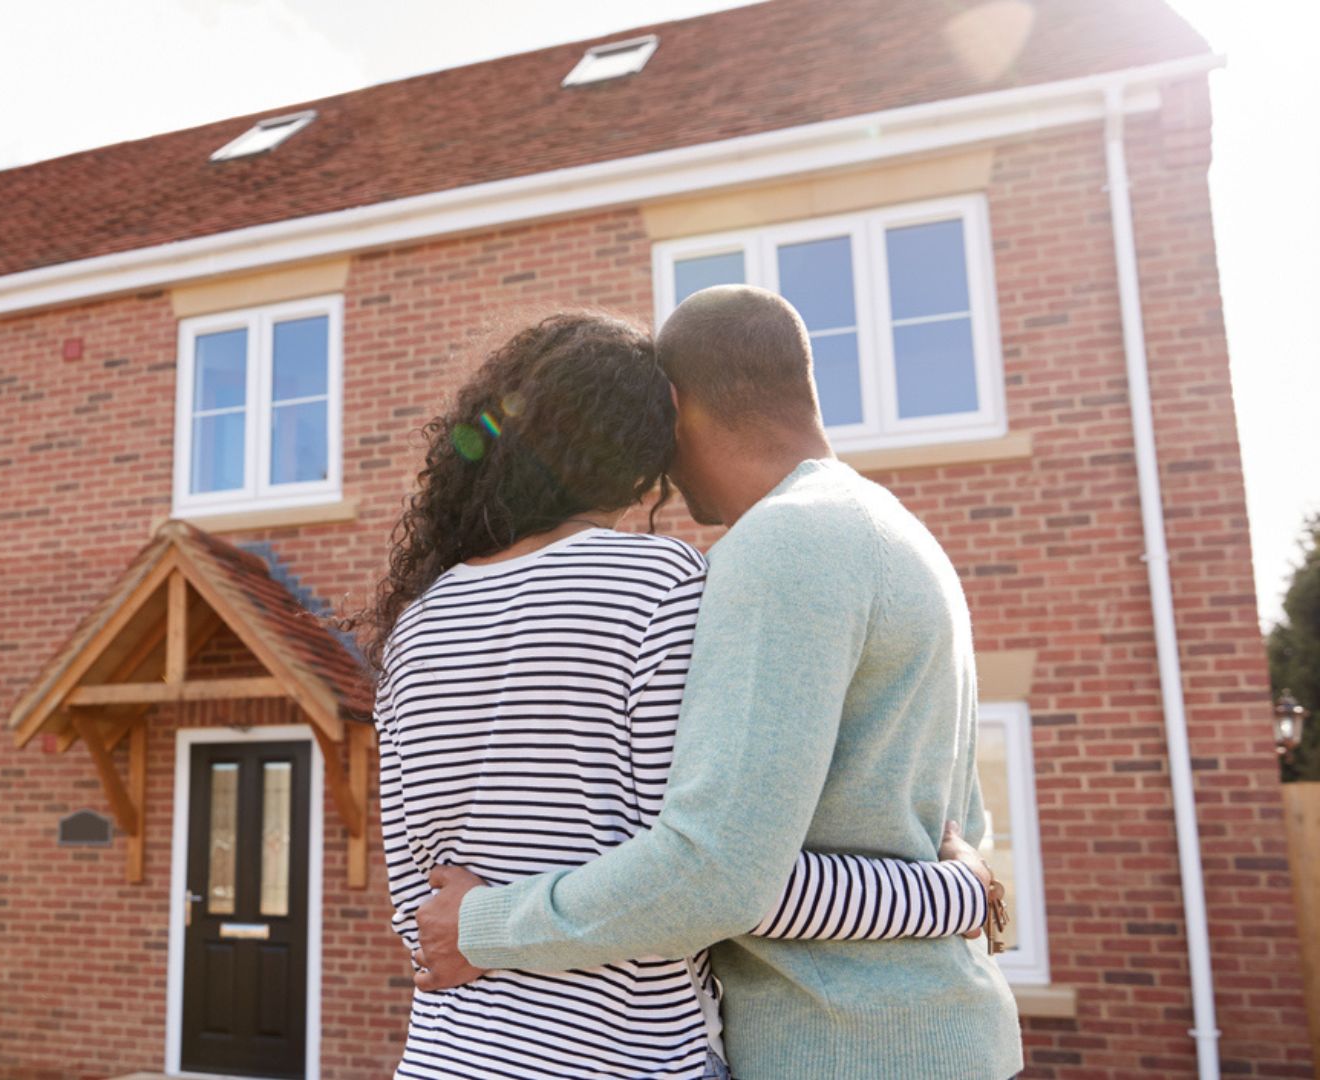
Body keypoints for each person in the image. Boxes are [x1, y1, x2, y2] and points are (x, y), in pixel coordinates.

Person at [362, 310, 1002, 1079]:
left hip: (445, 1060)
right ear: (647, 429)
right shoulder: (661, 587)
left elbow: (423, 917)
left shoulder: (418, 625)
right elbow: (718, 878)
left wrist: (482, 923)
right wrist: (954, 897)